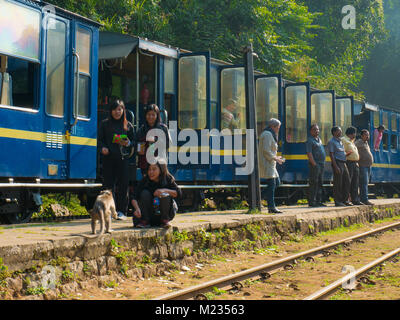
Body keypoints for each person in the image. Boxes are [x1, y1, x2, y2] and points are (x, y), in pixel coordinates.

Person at [98, 99, 135, 220]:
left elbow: (133, 141)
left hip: (123, 159)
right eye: (114, 109)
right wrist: (103, 147)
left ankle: (121, 211)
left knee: (123, 186)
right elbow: (100, 140)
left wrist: (128, 143)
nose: (117, 112)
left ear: (123, 110)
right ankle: (107, 211)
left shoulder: (128, 125)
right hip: (108, 159)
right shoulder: (105, 124)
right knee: (108, 186)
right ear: (111, 111)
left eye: (119, 109)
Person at [131, 158, 182, 228]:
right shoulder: (145, 181)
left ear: (161, 170)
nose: (151, 172)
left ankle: (165, 221)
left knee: (165, 195)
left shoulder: (168, 179)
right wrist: (137, 209)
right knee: (144, 193)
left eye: (154, 169)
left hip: (162, 214)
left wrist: (164, 190)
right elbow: (134, 197)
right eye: (149, 169)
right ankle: (145, 221)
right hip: (149, 215)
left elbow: (178, 193)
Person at [136, 104, 171, 176]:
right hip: (145, 164)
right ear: (145, 116)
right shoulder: (141, 129)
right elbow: (138, 143)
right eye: (148, 114)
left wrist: (156, 140)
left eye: (153, 115)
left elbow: (169, 144)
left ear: (157, 116)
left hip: (159, 163)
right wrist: (139, 150)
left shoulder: (163, 128)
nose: (150, 117)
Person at [259, 118, 285, 213]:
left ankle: (258, 198)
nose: (278, 129)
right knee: (272, 184)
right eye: (277, 127)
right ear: (272, 127)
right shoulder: (267, 134)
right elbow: (266, 151)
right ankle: (271, 207)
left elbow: (270, 150)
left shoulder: (270, 134)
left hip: (271, 163)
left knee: (276, 183)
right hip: (267, 163)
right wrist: (276, 158)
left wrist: (276, 158)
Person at [327, 126, 352, 207]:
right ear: (334, 132)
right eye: (338, 131)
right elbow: (331, 154)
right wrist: (335, 166)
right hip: (337, 163)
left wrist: (347, 154)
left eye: (341, 131)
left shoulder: (340, 141)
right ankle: (338, 201)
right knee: (338, 183)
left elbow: (341, 152)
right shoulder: (332, 142)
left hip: (343, 163)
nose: (340, 133)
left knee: (347, 181)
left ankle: (345, 200)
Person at [306, 124, 326, 207]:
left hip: (321, 164)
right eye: (314, 129)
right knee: (314, 183)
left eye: (318, 129)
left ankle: (319, 201)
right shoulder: (310, 141)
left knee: (320, 183)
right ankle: (312, 202)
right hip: (315, 164)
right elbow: (309, 153)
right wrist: (314, 164)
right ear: (311, 131)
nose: (317, 131)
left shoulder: (319, 140)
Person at [342, 126, 362, 205]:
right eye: (355, 133)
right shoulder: (344, 140)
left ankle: (355, 199)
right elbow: (341, 151)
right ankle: (346, 199)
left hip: (355, 163)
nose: (355, 135)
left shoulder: (352, 141)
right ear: (351, 133)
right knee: (348, 182)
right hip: (348, 163)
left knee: (355, 182)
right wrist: (347, 154)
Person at [355, 129, 374, 205]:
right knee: (364, 183)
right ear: (362, 135)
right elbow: (354, 149)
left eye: (368, 135)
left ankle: (364, 198)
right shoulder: (358, 142)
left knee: (366, 183)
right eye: (366, 135)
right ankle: (364, 199)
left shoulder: (366, 143)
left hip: (368, 166)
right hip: (362, 166)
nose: (367, 136)